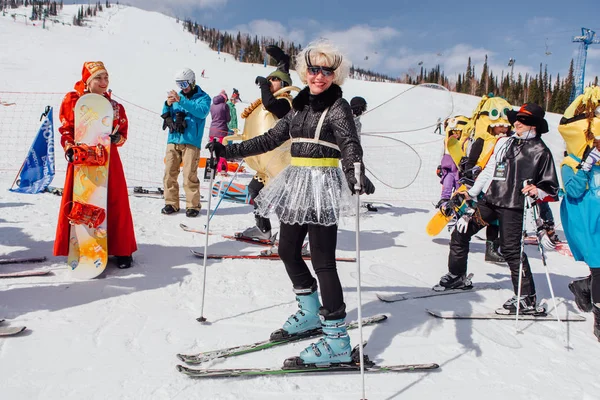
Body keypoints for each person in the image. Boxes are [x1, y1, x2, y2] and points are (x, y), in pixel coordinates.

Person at [207, 40, 375, 365]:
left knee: (324, 261)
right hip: (297, 182)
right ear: (305, 71)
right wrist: (227, 150)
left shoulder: (337, 108)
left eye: (327, 70)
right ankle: (311, 313)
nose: (319, 76)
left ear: (335, 74)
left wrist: (356, 172)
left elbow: (351, 145)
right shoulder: (299, 107)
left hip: (323, 184)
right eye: (314, 69)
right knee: (287, 250)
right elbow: (269, 139)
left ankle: (337, 341)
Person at [437, 103, 559, 314]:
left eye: (523, 120)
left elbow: (551, 188)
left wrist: (536, 190)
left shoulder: (542, 152)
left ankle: (527, 298)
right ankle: (457, 276)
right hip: (490, 202)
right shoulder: (505, 143)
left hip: (513, 207)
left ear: (535, 125)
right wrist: (473, 193)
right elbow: (489, 171)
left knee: (511, 250)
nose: (517, 123)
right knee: (460, 230)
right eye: (516, 119)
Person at [53, 61, 137, 269]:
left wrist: (117, 138)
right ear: (88, 81)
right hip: (81, 159)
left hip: (108, 159)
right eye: (98, 78)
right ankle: (81, 245)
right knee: (81, 200)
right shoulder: (73, 101)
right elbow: (66, 129)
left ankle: (121, 249)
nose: (103, 82)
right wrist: (69, 148)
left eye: (106, 78)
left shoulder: (115, 107)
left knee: (115, 200)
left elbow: (123, 135)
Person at [239, 45, 294, 240]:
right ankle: (263, 229)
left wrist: (263, 85)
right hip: (266, 165)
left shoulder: (287, 103)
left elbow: (271, 104)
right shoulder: (269, 101)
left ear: (285, 83)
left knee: (280, 199)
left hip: (282, 165)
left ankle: (292, 237)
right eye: (269, 78)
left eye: (275, 79)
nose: (270, 82)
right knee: (255, 190)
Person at [558, 87, 600, 340]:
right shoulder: (570, 163)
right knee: (599, 267)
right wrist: (586, 165)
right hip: (585, 221)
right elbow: (572, 190)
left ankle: (581, 286)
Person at [160, 68, 211, 217]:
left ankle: (193, 205)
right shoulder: (178, 97)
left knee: (189, 174)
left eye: (184, 84)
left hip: (191, 141)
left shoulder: (204, 98)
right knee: (169, 172)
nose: (182, 88)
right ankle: (171, 203)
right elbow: (166, 113)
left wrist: (181, 100)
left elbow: (201, 112)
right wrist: (167, 104)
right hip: (174, 138)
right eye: (179, 84)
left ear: (192, 82)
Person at [209, 90, 231, 174]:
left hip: (212, 130)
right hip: (222, 130)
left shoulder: (212, 106)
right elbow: (228, 119)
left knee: (213, 150)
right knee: (222, 150)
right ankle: (222, 169)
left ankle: (213, 168)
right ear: (225, 98)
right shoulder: (225, 106)